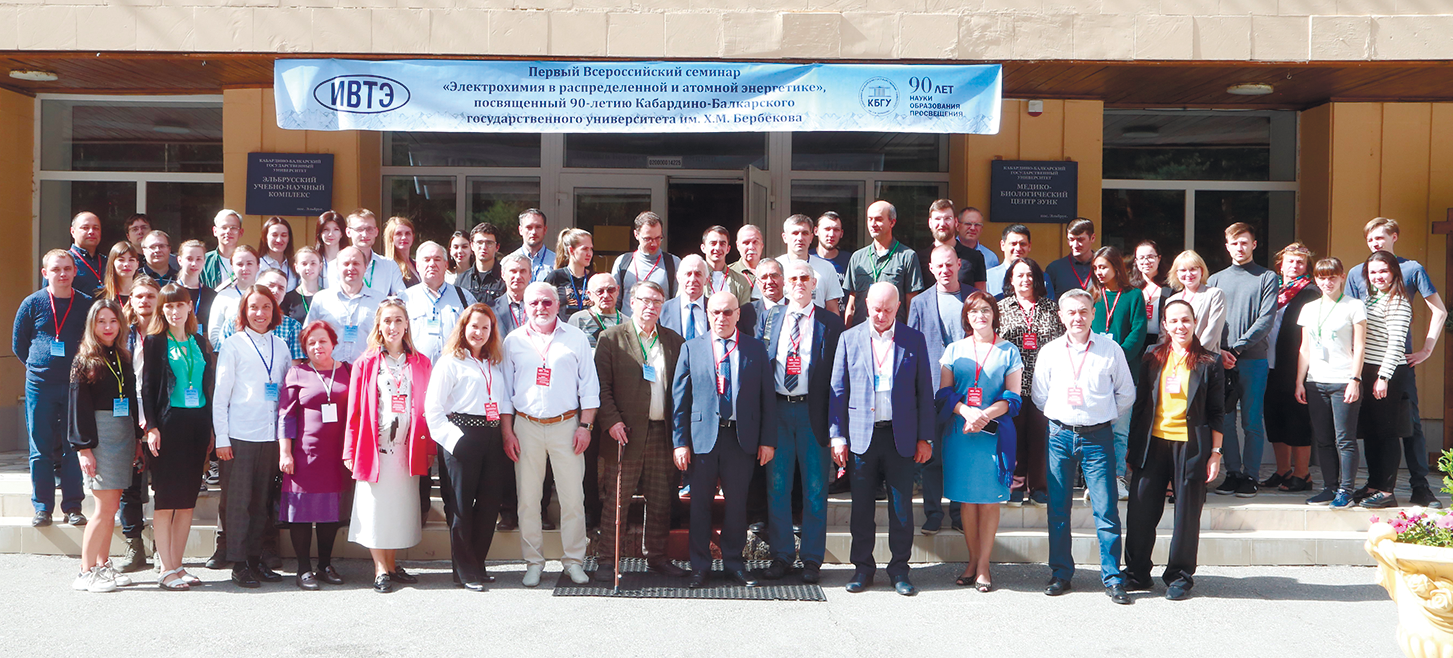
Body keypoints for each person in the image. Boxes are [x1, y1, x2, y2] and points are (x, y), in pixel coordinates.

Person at [1032, 288, 1136, 605]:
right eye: (1071, 312)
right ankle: (1061, 573)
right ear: (1061, 317)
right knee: (1058, 509)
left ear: (1093, 314)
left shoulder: (1110, 349)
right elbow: (1040, 394)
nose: (1077, 317)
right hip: (1059, 436)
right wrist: (1065, 417)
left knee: (1106, 510)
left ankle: (1113, 578)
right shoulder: (1050, 351)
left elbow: (1126, 394)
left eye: (1083, 311)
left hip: (1098, 438)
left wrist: (1100, 415)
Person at [830, 282, 934, 596]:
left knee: (901, 509)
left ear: (898, 307)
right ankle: (862, 568)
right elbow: (838, 391)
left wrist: (925, 438)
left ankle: (900, 570)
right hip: (862, 436)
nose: (881, 315)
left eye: (888, 309)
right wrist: (837, 436)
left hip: (900, 435)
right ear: (866, 305)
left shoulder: (914, 339)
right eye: (876, 309)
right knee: (861, 508)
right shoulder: (849, 339)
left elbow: (924, 393)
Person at [672, 290, 776, 588]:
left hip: (740, 439)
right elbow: (680, 400)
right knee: (700, 505)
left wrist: (767, 440)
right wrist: (680, 442)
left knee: (737, 505)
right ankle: (699, 566)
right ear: (707, 314)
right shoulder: (691, 348)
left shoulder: (755, 349)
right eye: (715, 312)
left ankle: (734, 563)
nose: (721, 318)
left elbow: (766, 398)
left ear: (738, 314)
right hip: (702, 439)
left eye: (727, 312)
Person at [1125, 299, 1225, 601]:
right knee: (1140, 511)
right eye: (1174, 321)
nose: (1180, 326)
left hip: (1191, 445)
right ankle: (1137, 572)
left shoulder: (1209, 361)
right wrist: (1132, 448)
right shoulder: (1152, 356)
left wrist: (1215, 453)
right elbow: (1140, 405)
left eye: (1186, 320)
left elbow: (1217, 412)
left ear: (1194, 322)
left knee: (1187, 515)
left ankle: (1179, 576)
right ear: (1165, 325)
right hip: (1152, 443)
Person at [501, 282, 600, 587]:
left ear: (558, 305)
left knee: (573, 499)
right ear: (525, 307)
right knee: (528, 500)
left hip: (567, 425)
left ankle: (574, 561)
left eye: (547, 302)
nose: (540, 308)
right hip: (526, 426)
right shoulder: (513, 341)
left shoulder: (575, 337)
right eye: (534, 303)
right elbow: (505, 392)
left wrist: (585, 426)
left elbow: (590, 387)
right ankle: (533, 562)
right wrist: (507, 432)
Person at [1345, 217, 1448, 508]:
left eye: (1380, 237)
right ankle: (1376, 484)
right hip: (1368, 364)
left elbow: (1438, 311)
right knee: (1374, 427)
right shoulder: (1358, 272)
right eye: (1370, 239)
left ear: (1394, 237)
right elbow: (1352, 318)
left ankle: (1419, 487)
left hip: (1394, 365)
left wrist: (1427, 349)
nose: (1375, 243)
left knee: (1407, 424)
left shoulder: (1411, 270)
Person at [592, 281, 690, 583]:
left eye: (657, 302)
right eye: (645, 300)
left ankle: (657, 557)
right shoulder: (611, 338)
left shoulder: (674, 341)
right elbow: (601, 387)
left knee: (661, 499)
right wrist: (612, 421)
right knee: (617, 500)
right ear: (632, 302)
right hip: (625, 432)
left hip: (662, 432)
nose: (651, 307)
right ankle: (608, 560)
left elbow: (681, 390)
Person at [759, 261, 844, 583]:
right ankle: (781, 555)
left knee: (815, 490)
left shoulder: (830, 323)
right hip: (778, 412)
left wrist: (837, 429)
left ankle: (811, 559)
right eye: (792, 278)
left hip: (813, 414)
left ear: (814, 284)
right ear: (785, 284)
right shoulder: (771, 318)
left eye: (804, 278)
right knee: (777, 488)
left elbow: (839, 379)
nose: (798, 283)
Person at [345, 299, 434, 593]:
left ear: (407, 324)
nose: (393, 326)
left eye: (398, 320)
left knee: (398, 509)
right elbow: (355, 411)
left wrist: (430, 448)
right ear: (379, 326)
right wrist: (349, 450)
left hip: (407, 449)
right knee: (376, 509)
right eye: (387, 321)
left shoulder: (421, 362)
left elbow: (428, 408)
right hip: (375, 449)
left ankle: (392, 565)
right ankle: (380, 568)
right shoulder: (366, 362)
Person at [424, 304, 513, 591]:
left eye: (486, 328)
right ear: (463, 328)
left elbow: (503, 401)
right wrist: (453, 440)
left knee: (488, 504)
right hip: (462, 435)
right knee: (461, 506)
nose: (479, 332)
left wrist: (505, 435)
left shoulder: (493, 362)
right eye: (475, 326)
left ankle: (478, 564)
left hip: (492, 436)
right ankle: (463, 571)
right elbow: (433, 408)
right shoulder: (450, 361)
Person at [939, 291, 1023, 591]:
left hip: (993, 434)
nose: (980, 316)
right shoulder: (954, 350)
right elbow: (945, 394)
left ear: (994, 314)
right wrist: (966, 412)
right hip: (961, 432)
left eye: (986, 310)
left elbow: (1013, 397)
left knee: (988, 501)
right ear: (967, 317)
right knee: (967, 500)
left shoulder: (1009, 351)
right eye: (974, 311)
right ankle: (972, 561)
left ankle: (984, 565)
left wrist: (984, 415)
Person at [214, 285, 292, 588]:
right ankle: (239, 563)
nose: (260, 313)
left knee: (262, 503)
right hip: (240, 434)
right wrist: (222, 437)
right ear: (244, 312)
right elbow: (221, 395)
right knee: (239, 502)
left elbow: (286, 391)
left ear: (274, 311)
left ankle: (256, 559)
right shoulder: (233, 344)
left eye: (266, 307)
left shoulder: (281, 345)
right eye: (254, 308)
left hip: (270, 435)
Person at [140, 284, 215, 590]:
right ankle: (165, 568)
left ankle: (179, 565)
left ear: (189, 307)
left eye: (179, 305)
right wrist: (152, 427)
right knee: (166, 499)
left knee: (186, 500)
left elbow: (207, 386)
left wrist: (211, 428)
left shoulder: (199, 341)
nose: (174, 311)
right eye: (168, 306)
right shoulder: (155, 341)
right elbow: (147, 387)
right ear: (162, 310)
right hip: (168, 425)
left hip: (197, 424)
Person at [14, 249, 93, 527]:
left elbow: (91, 342)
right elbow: (19, 344)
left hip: (75, 386)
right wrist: (40, 367)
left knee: (73, 447)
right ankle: (42, 508)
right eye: (56, 269)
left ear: (75, 272)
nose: (62, 274)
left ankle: (73, 507)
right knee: (41, 447)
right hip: (41, 385)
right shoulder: (32, 303)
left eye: (67, 269)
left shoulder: (86, 304)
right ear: (45, 273)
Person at [67, 300, 139, 593]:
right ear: (92, 325)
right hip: (99, 436)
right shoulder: (83, 360)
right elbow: (77, 408)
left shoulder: (122, 355)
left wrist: (137, 439)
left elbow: (131, 399)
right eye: (101, 321)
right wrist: (84, 449)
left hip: (123, 433)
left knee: (112, 507)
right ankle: (85, 572)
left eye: (113, 321)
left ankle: (103, 563)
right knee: (103, 508)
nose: (108, 327)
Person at [277, 321, 351, 590]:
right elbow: (285, 416)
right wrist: (285, 452)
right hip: (305, 455)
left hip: (337, 455)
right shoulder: (297, 373)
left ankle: (325, 565)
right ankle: (303, 569)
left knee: (330, 512)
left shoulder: (348, 371)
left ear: (333, 343)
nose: (317, 346)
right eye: (311, 343)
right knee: (302, 513)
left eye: (322, 341)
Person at [1207, 223, 1280, 498]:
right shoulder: (1215, 280)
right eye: (1235, 243)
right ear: (1227, 246)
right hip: (1221, 361)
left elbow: (1266, 319)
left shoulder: (1267, 277)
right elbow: (1209, 319)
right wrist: (1219, 352)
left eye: (1244, 242)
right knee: (1224, 421)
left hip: (1251, 360)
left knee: (1251, 421)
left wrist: (1236, 349)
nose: (1240, 247)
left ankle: (1250, 475)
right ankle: (1233, 473)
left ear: (1254, 244)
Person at [907, 245, 969, 534]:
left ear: (959, 264)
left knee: (960, 454)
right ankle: (933, 513)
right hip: (931, 389)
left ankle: (958, 513)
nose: (945, 270)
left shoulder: (973, 298)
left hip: (967, 390)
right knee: (932, 455)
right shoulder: (920, 302)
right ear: (931, 269)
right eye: (939, 266)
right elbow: (912, 348)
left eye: (949, 264)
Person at [1295, 257, 1365, 510]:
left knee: (1344, 439)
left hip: (1343, 380)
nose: (1327, 282)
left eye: (1332, 277)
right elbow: (1305, 348)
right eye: (1322, 277)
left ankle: (1346, 490)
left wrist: (1355, 379)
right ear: (1316, 279)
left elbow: (1359, 346)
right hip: (1316, 381)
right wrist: (1300, 381)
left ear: (1342, 277)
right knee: (1323, 439)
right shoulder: (1309, 308)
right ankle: (1330, 487)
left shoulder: (1354, 305)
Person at [998, 257, 1064, 507]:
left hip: (1045, 385)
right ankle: (1015, 486)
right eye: (1019, 275)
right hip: (1011, 386)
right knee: (1013, 436)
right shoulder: (1000, 308)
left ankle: (1039, 487)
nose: (1025, 279)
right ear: (1011, 279)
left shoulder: (1052, 308)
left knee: (1040, 438)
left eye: (1030, 274)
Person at [1356, 251, 1414, 509]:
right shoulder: (1370, 299)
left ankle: (1387, 491)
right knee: (1371, 431)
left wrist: (1383, 377)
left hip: (1388, 373)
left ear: (1393, 273)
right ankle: (1373, 485)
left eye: (1383, 271)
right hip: (1367, 370)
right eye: (1373, 272)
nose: (1378, 276)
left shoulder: (1398, 302)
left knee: (1387, 432)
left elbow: (1396, 344)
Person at [1089, 246, 1147, 501]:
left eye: (1103, 267)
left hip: (1125, 373)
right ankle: (1095, 480)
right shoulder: (1091, 295)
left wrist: (1117, 357)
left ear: (1116, 267)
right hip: (1094, 372)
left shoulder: (1134, 295)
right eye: (1095, 268)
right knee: (1094, 429)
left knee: (1120, 430)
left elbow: (1138, 331)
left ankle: (1117, 478)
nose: (1099, 272)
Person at [1264, 243, 1319, 493]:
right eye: (1290, 261)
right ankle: (1283, 470)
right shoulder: (1271, 289)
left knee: (1297, 419)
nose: (1295, 266)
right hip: (1268, 362)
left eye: (1300, 262)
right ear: (1281, 265)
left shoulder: (1310, 292)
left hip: (1295, 365)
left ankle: (1302, 473)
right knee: (1274, 417)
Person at [114, 275, 160, 574]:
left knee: (163, 485)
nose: (144, 301)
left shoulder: (167, 333)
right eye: (139, 296)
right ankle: (134, 546)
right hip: (127, 414)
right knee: (129, 485)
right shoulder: (121, 334)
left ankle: (162, 548)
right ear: (131, 299)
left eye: (150, 296)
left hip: (160, 416)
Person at [844, 201, 925, 325]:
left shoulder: (907, 256)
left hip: (894, 332)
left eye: (878, 219)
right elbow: (852, 304)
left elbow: (912, 305)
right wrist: (848, 332)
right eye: (870, 219)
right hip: (862, 331)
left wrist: (909, 333)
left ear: (892, 222)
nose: (873, 224)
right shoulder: (857, 257)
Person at [306, 246, 387, 364]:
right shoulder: (321, 299)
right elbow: (308, 336)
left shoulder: (380, 301)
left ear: (365, 267)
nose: (351, 268)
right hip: (329, 369)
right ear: (337, 267)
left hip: (367, 369)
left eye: (356, 263)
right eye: (346, 264)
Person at [404, 241, 477, 363]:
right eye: (426, 260)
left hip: (456, 369)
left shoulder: (464, 298)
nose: (432, 264)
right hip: (416, 369)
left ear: (446, 265)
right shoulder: (405, 299)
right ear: (417, 266)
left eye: (437, 259)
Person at [612, 212, 680, 314]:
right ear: (636, 235)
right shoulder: (622, 262)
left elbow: (678, 303)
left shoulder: (673, 263)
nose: (654, 243)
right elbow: (614, 303)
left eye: (658, 238)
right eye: (648, 239)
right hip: (629, 323)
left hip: (660, 323)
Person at [328, 209, 407, 297]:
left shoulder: (389, 265)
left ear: (376, 232)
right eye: (359, 229)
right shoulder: (335, 265)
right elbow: (335, 298)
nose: (365, 234)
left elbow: (402, 296)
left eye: (369, 229)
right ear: (348, 232)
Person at [777, 215, 844, 314]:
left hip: (816, 322)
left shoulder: (826, 268)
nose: (800, 238)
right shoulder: (774, 267)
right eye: (795, 233)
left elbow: (833, 309)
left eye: (805, 233)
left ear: (811, 237)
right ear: (785, 237)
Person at [1167, 250, 1227, 359]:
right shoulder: (1171, 300)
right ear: (1176, 274)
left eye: (1193, 269)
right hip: (1176, 359)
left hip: (1204, 359)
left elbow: (1213, 332)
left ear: (1202, 271)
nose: (1188, 274)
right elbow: (1168, 334)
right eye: (1183, 270)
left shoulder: (1214, 295)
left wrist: (1193, 356)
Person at [917, 199, 986, 293]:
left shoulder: (974, 257)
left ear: (956, 222)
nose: (942, 224)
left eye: (947, 218)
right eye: (937, 219)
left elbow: (981, 295)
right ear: (930, 223)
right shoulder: (919, 259)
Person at [206, 244, 260, 350]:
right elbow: (214, 332)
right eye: (239, 264)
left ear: (258, 266)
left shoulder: (266, 294)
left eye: (249, 263)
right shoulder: (223, 296)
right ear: (232, 267)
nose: (245, 268)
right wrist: (226, 353)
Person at [985, 224, 1052, 300]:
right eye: (1013, 244)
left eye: (1022, 244)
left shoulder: (1042, 278)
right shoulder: (988, 277)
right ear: (1002, 245)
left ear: (1029, 246)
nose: (1018, 248)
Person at [257, 269, 308, 363]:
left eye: (281, 288)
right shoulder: (235, 322)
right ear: (257, 286)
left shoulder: (292, 327)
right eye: (271, 285)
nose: (275, 291)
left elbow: (294, 367)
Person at [1130, 240, 1172, 354]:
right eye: (1141, 258)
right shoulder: (1130, 288)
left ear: (1159, 258)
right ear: (1136, 261)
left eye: (1150, 257)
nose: (1146, 261)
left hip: (1162, 342)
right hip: (1136, 341)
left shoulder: (1170, 287)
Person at [660, 255, 713, 341]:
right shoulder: (663, 310)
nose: (692, 279)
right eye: (688, 274)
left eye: (698, 274)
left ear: (707, 279)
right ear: (678, 278)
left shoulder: (715, 309)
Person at [545, 228, 594, 319]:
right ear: (571, 250)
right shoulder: (555, 277)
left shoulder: (595, 278)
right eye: (585, 249)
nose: (589, 254)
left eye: (591, 249)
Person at [568, 273, 625, 349]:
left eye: (610, 290)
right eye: (600, 291)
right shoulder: (578, 320)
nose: (606, 295)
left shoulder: (627, 322)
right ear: (589, 294)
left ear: (617, 291)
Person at [701, 225, 753, 305]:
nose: (718, 248)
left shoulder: (741, 281)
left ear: (728, 249)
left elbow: (745, 311)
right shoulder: (694, 278)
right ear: (703, 248)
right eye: (713, 243)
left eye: (722, 244)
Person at [175, 239, 217, 338]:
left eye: (198, 259)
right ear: (180, 260)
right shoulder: (170, 292)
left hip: (203, 343)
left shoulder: (212, 295)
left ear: (204, 261)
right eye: (189, 259)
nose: (194, 264)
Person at [457, 223, 507, 306]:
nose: (484, 247)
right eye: (479, 242)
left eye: (489, 243)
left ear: (497, 247)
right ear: (472, 246)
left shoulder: (506, 278)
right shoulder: (461, 280)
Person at [491, 253, 533, 339]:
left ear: (530, 276)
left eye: (523, 271)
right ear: (503, 275)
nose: (518, 276)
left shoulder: (540, 306)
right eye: (513, 271)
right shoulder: (491, 309)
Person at [202, 209, 244, 289]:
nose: (228, 232)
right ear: (215, 231)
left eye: (233, 228)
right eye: (224, 227)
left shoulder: (249, 261)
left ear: (241, 232)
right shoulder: (204, 261)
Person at [282, 246, 324, 325]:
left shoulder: (328, 296)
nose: (309, 267)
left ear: (320, 266)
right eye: (304, 264)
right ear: (296, 267)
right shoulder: (287, 299)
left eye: (313, 263)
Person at [67, 212, 105, 296]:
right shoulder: (62, 262)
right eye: (85, 228)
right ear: (72, 232)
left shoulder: (108, 262)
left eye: (96, 228)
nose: (91, 232)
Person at [512, 209, 555, 282]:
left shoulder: (556, 261)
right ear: (520, 230)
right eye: (529, 227)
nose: (534, 232)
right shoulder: (509, 262)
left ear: (545, 230)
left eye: (538, 227)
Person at [259, 216, 299, 291]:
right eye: (274, 235)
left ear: (289, 238)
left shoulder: (295, 266)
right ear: (265, 238)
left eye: (284, 235)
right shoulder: (257, 265)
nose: (279, 240)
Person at [748, 258, 785, 339]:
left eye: (774, 276)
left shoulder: (795, 308)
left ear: (783, 279)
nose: (769, 281)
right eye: (764, 277)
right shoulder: (747, 312)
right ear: (758, 283)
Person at [729, 224, 766, 297]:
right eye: (746, 243)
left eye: (755, 242)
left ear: (762, 245)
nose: (751, 247)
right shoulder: (729, 272)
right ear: (737, 245)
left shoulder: (772, 270)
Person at [384, 216, 420, 288]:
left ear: (413, 237)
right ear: (391, 237)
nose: (404, 237)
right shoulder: (388, 267)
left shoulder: (417, 264)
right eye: (398, 234)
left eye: (407, 233)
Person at [314, 211, 345, 284]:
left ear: (342, 233)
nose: (330, 234)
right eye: (326, 229)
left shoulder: (348, 259)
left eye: (336, 229)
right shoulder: (313, 260)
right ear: (320, 233)